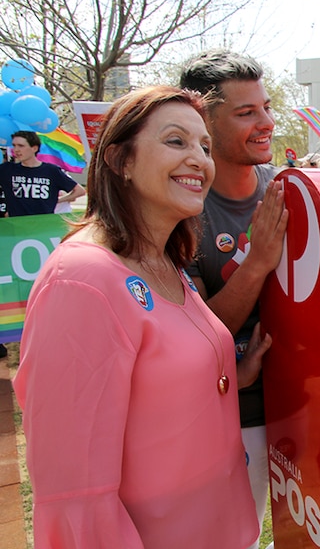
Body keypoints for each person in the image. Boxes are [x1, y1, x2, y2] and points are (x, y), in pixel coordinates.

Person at [13, 85, 262, 548]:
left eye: (204, 147)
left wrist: (228, 370)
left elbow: (156, 376)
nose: (199, 160)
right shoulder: (82, 279)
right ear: (119, 161)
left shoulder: (163, 261)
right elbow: (75, 492)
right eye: (175, 141)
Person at [179, 48, 288, 549]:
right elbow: (200, 333)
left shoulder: (288, 188)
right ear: (203, 120)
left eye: (265, 107)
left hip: (307, 407)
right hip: (234, 417)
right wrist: (259, 260)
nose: (266, 122)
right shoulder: (181, 214)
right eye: (246, 113)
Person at [0, 130, 85, 216]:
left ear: (34, 148)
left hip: (44, 224)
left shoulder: (51, 170)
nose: (16, 150)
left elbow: (79, 191)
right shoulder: (7, 169)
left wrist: (58, 200)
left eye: (21, 146)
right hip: (17, 224)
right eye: (14, 146)